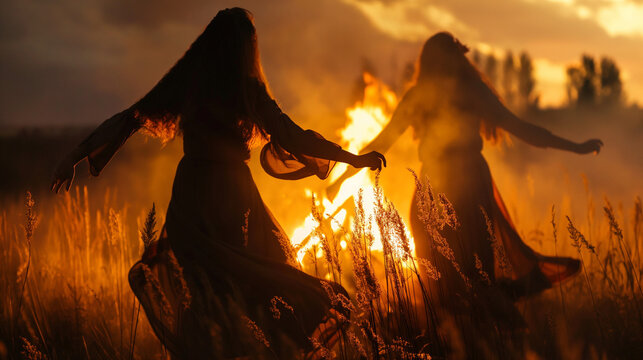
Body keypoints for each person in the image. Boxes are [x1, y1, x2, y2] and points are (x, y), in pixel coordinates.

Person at [51, 8, 385, 358]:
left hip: (200, 193)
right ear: (246, 48)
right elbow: (293, 136)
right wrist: (354, 159)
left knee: (214, 288)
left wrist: (73, 155)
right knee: (240, 284)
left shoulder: (198, 82)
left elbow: (131, 117)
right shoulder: (240, 88)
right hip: (225, 196)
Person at [328, 32, 602, 329]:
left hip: (468, 186)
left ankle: (511, 335)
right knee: (439, 276)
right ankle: (470, 342)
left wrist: (575, 146)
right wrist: (342, 177)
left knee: (476, 275)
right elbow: (382, 142)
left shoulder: (472, 93)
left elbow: (521, 128)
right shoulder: (420, 96)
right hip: (432, 188)